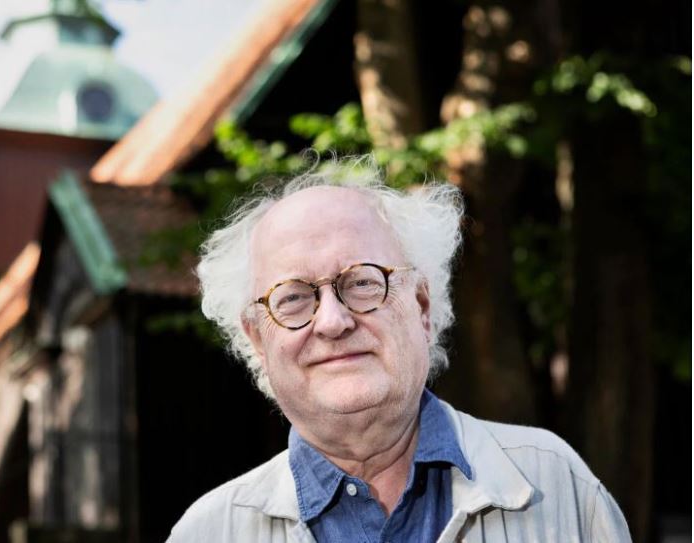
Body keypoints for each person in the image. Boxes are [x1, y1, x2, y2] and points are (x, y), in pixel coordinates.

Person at [168, 161, 631, 542]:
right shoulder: (207, 533)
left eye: (363, 282)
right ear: (257, 340)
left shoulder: (557, 483)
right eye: (292, 298)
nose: (332, 321)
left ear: (422, 306)